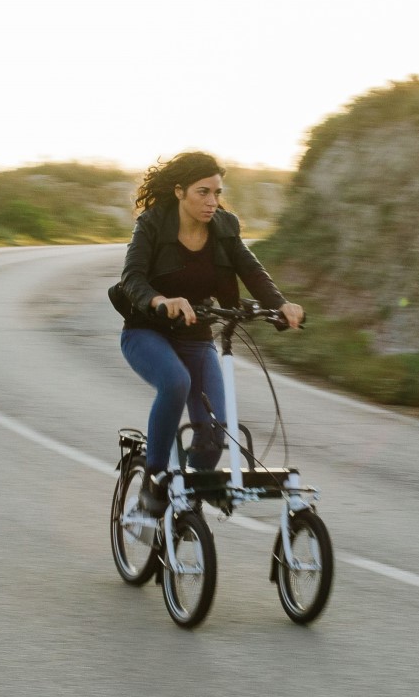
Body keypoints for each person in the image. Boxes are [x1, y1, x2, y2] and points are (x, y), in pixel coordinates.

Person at [117, 151, 303, 513]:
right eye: (203, 192)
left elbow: (251, 270)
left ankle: (186, 495)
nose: (212, 202)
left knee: (217, 431)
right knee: (176, 382)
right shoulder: (153, 224)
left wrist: (281, 303)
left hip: (196, 336)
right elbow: (132, 278)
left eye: (217, 193)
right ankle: (155, 484)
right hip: (146, 333)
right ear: (179, 192)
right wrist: (159, 300)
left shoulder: (224, 226)